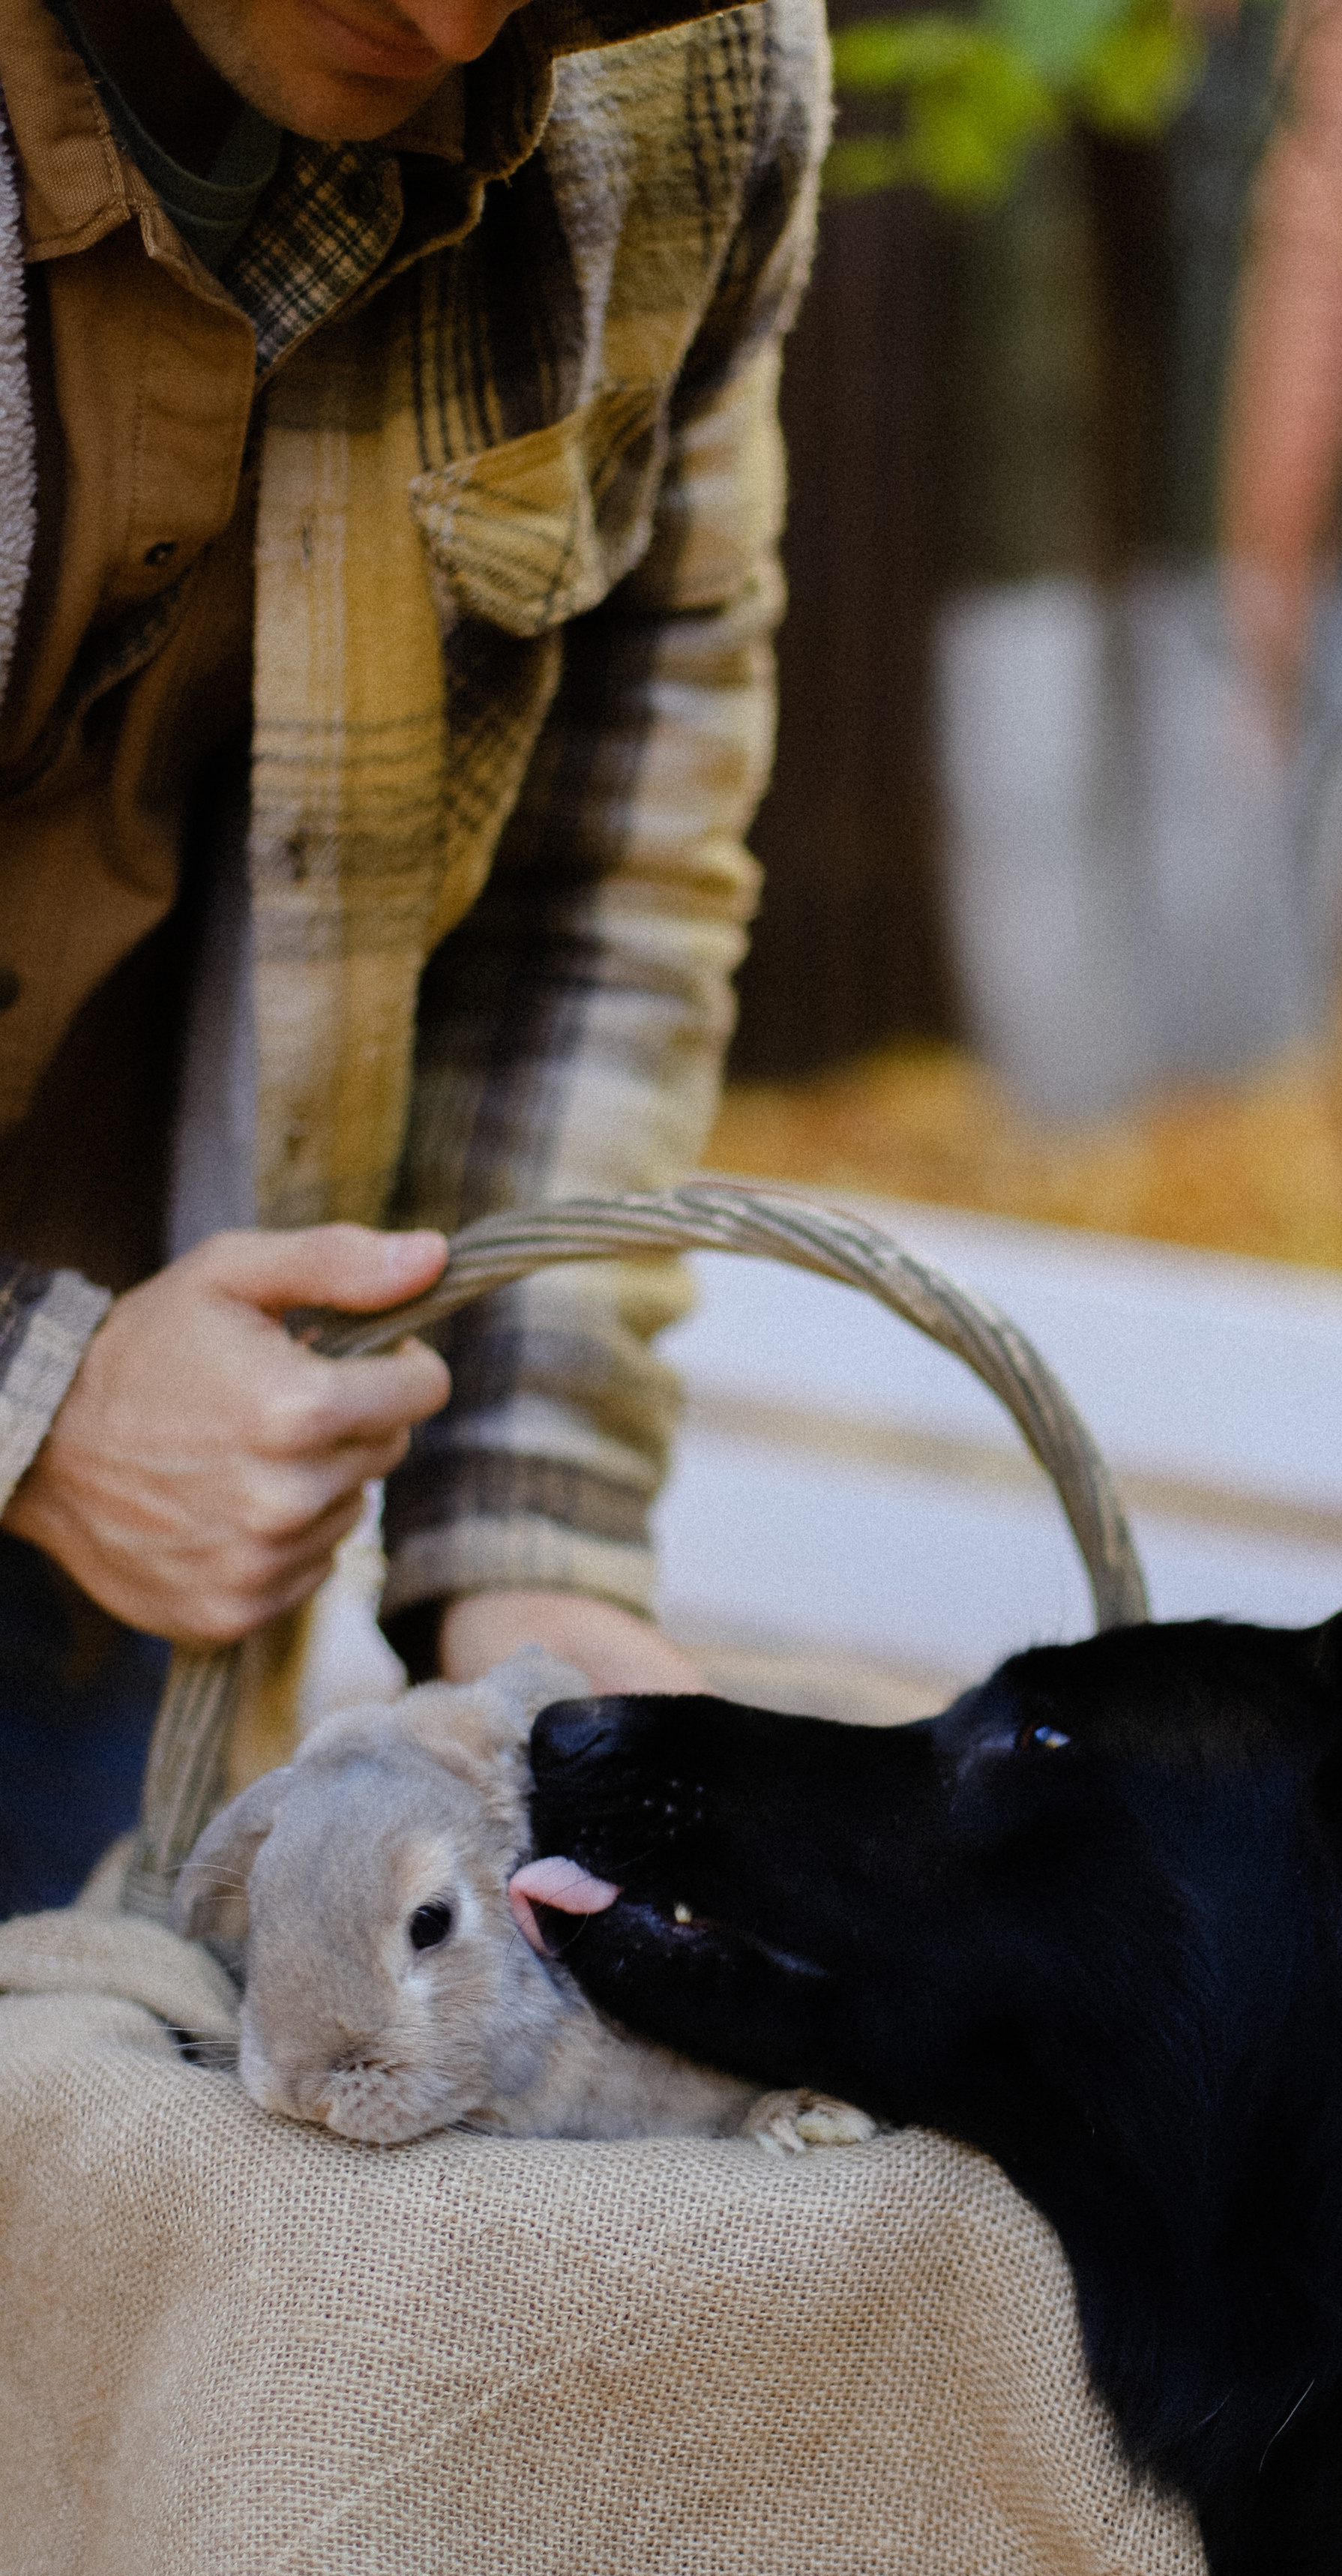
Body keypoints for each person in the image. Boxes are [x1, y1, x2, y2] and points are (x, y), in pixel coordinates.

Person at [0, 0, 826, 1907]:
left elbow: (601, 864)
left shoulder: (695, 83)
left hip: (118, 1578)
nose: (462, 20)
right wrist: (34, 1406)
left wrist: (531, 1546)